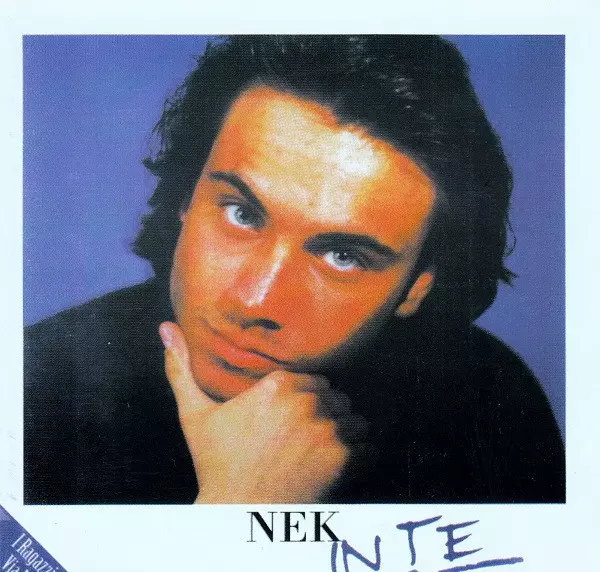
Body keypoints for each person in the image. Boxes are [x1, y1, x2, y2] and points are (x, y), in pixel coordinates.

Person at [24, 35, 565, 504]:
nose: (254, 301)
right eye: (241, 214)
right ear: (185, 197)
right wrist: (235, 505)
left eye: (342, 256)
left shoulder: (491, 402)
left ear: (417, 287)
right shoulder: (33, 392)